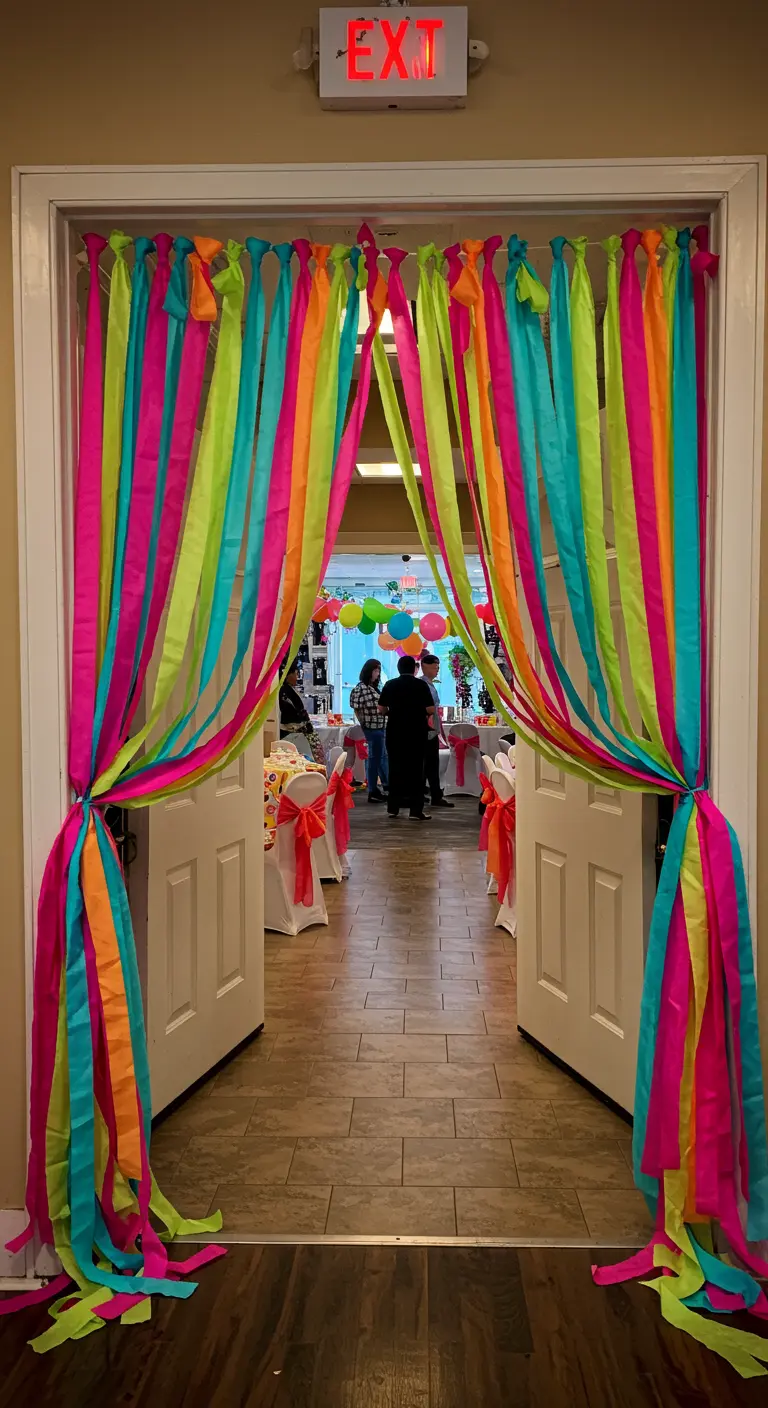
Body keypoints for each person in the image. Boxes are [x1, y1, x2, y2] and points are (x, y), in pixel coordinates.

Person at [378, 656, 435, 821]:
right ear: (414, 669)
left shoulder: (390, 684)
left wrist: (393, 713)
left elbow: (381, 709)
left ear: (398, 668)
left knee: (395, 768)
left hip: (395, 731)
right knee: (417, 770)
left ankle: (393, 808)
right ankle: (415, 811)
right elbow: (430, 709)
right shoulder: (421, 685)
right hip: (417, 732)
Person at [349, 659, 389, 804]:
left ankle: (381, 787)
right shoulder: (361, 689)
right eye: (375, 670)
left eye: (378, 671)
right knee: (375, 758)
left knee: (379, 757)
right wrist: (363, 723)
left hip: (380, 726)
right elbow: (356, 708)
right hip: (372, 727)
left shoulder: (375, 687)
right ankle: (373, 790)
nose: (377, 674)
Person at [420, 653, 454, 809]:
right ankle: (432, 794)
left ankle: (432, 793)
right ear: (424, 666)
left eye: (438, 667)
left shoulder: (430, 684)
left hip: (432, 727)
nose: (437, 670)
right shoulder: (422, 685)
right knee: (429, 762)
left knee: (431, 762)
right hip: (426, 728)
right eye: (435, 667)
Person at [278, 661, 325, 765]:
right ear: (287, 675)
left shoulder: (286, 690)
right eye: (295, 674)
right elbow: (292, 717)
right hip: (294, 733)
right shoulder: (285, 692)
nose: (297, 677)